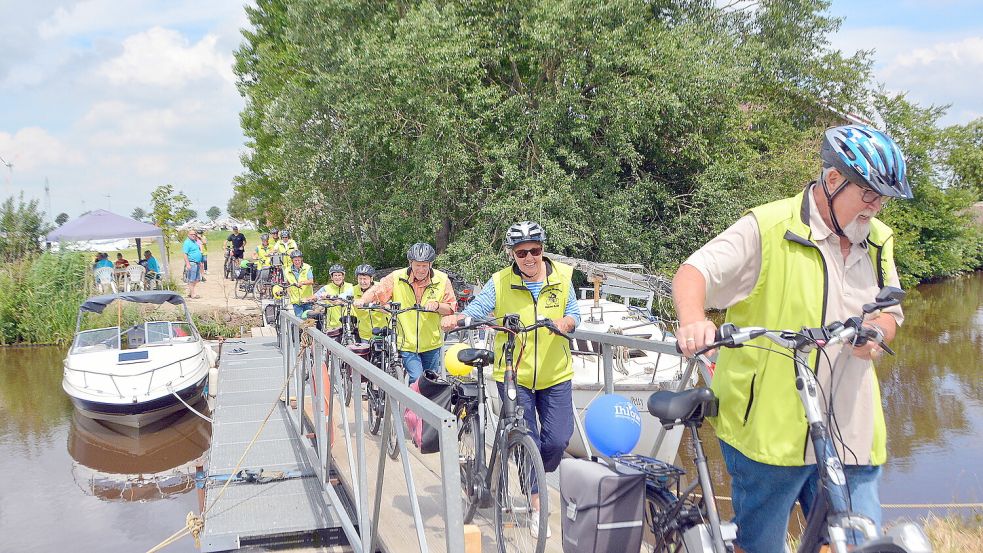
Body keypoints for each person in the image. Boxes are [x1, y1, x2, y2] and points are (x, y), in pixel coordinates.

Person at [672, 125, 912, 553]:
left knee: (859, 541)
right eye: (870, 193)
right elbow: (694, 273)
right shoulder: (768, 226)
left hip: (849, 428)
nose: (876, 207)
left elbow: (889, 312)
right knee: (762, 545)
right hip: (769, 434)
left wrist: (877, 333)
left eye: (883, 198)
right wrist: (693, 320)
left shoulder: (878, 240)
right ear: (834, 179)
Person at [441, 221, 580, 539]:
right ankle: (536, 504)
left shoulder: (563, 276)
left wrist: (566, 321)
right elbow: (477, 308)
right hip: (514, 374)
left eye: (535, 250)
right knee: (526, 435)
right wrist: (459, 318)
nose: (529, 257)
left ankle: (532, 471)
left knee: (558, 440)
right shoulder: (500, 282)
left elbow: (575, 313)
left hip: (555, 373)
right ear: (512, 254)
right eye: (522, 252)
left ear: (543, 249)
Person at [355, 243, 456, 383]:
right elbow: (377, 290)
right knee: (416, 378)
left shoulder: (442, 279)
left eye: (425, 266)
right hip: (406, 342)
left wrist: (437, 306)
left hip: (432, 342)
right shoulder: (397, 277)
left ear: (431, 264)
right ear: (410, 263)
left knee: (431, 381)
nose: (421, 270)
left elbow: (451, 308)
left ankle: (424, 405)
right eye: (417, 265)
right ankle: (412, 405)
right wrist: (363, 300)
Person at [351, 264, 389, 342]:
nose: (362, 282)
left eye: (365, 279)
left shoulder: (380, 288)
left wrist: (378, 307)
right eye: (360, 279)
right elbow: (340, 298)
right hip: (364, 334)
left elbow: (389, 307)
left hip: (382, 332)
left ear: (371, 278)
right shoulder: (353, 290)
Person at [311, 264, 354, 329]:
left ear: (343, 276)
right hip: (333, 325)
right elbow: (315, 296)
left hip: (349, 323)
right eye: (335, 275)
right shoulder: (326, 288)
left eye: (339, 275)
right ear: (331, 277)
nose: (337, 277)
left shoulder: (350, 287)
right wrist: (307, 299)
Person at [284, 249, 315, 318]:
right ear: (292, 260)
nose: (297, 262)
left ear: (301, 259)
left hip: (307, 299)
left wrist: (302, 283)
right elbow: (287, 283)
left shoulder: (307, 268)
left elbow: (311, 281)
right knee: (299, 320)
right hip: (296, 301)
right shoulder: (287, 270)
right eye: (295, 260)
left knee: (309, 320)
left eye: (299, 260)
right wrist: (289, 293)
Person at [182, 229, 204, 299]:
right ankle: (193, 294)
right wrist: (187, 264)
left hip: (197, 263)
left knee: (197, 279)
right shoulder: (187, 243)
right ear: (188, 235)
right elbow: (185, 254)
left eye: (194, 234)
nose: (193, 235)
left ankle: (190, 292)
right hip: (192, 263)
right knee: (191, 279)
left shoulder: (194, 241)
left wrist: (200, 262)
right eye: (192, 234)